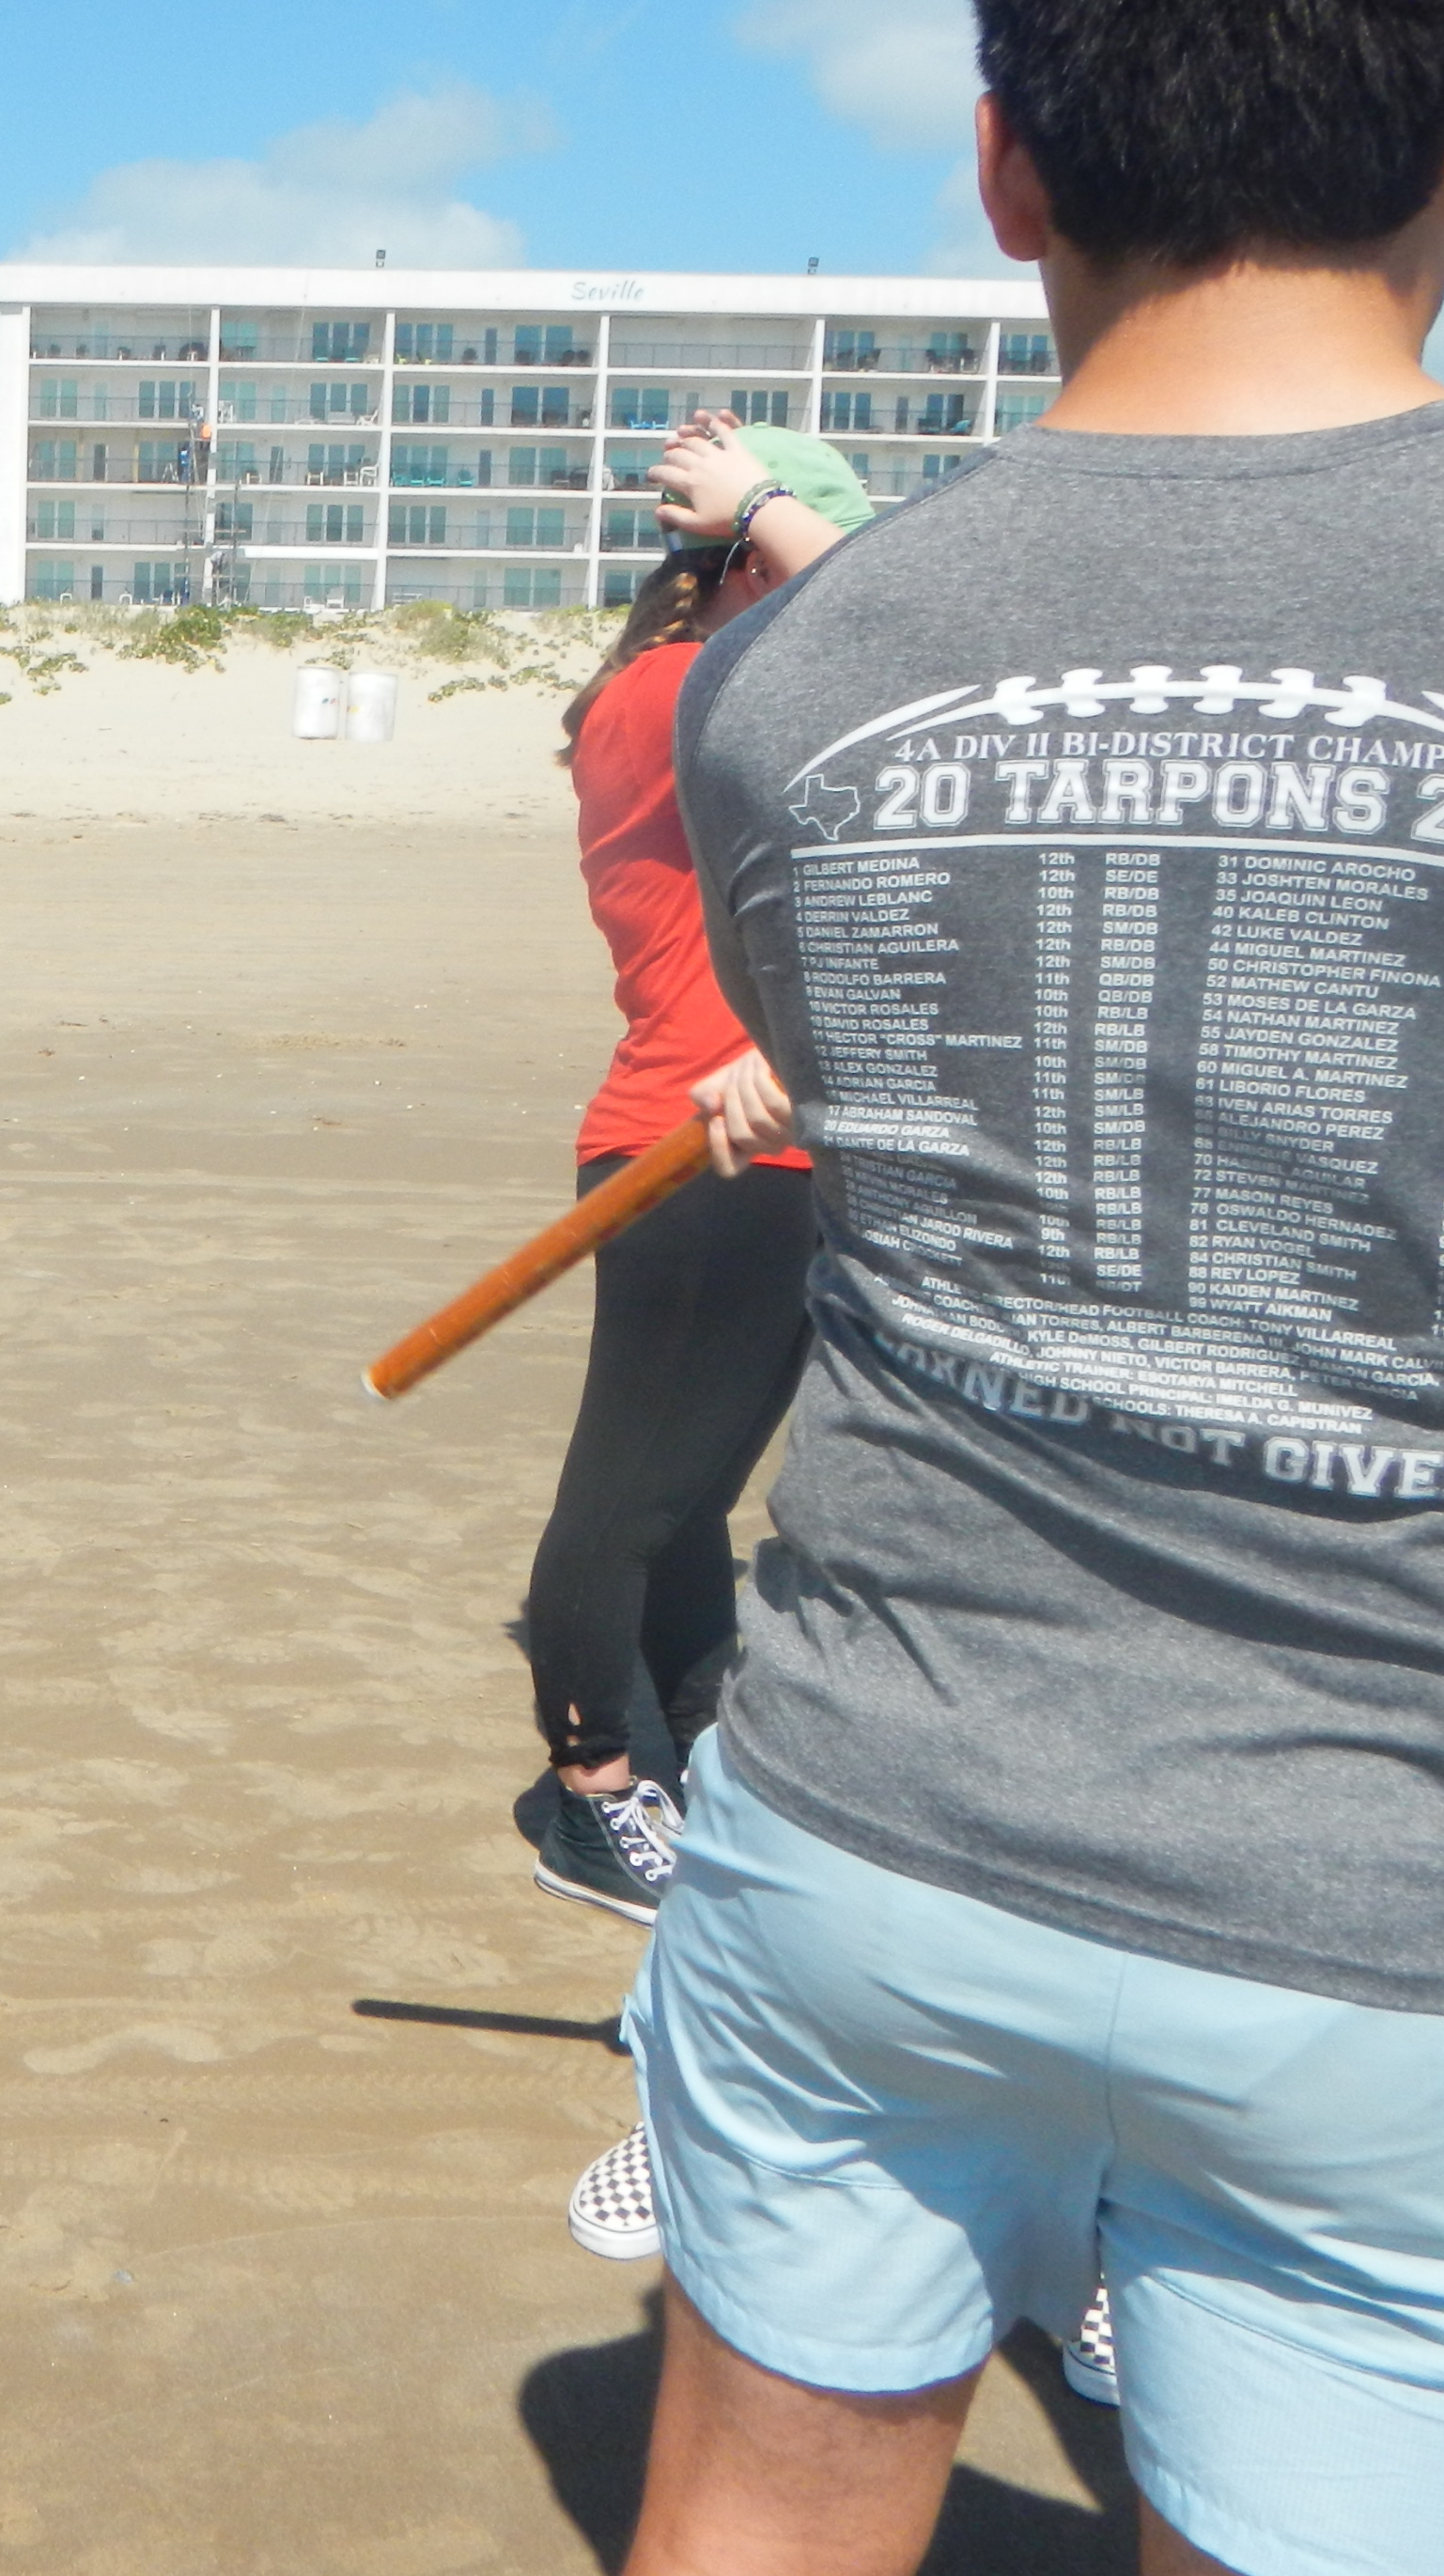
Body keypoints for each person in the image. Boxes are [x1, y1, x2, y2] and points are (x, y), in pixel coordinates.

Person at [627, 0, 1444, 2571]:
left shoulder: (792, 673)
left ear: (998, 160)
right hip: (1419, 1888)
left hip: (863, 1819)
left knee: (750, 2504)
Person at [516, 427, 870, 1932]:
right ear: (741, 570)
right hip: (711, 1140)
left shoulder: (658, 693)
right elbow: (891, 633)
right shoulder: (682, 695)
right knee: (631, 1492)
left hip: (715, 1136)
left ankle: (707, 1752)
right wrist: (774, 513)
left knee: (686, 1493)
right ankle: (589, 1791)